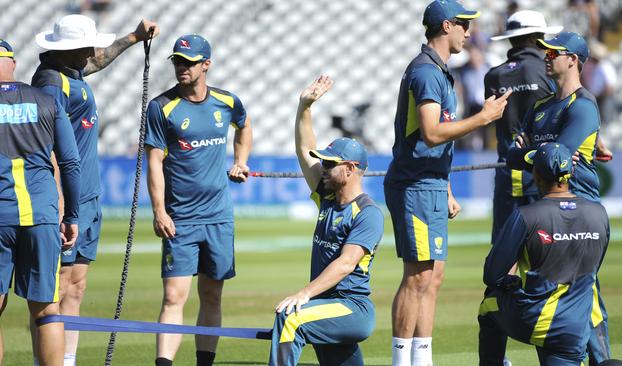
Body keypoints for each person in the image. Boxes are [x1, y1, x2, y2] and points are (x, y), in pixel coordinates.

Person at [383, 1, 511, 365]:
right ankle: (400, 360)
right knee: (418, 276)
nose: (468, 33)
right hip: (415, 185)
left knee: (433, 276)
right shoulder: (425, 72)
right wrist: (483, 117)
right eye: (464, 25)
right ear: (445, 26)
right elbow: (432, 132)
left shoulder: (438, 71)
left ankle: (422, 358)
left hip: (431, 183)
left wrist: (448, 188)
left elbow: (436, 143)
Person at [31, 14, 159, 365]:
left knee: (76, 286)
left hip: (88, 196)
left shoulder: (71, 72)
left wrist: (133, 38)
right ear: (70, 49)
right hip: (65, 199)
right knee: (53, 291)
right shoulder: (51, 84)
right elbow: (49, 149)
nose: (93, 50)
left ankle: (68, 360)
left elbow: (100, 58)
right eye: (87, 45)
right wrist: (59, 206)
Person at [144, 34, 252, 366]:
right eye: (177, 61)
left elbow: (244, 127)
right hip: (181, 218)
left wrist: (240, 161)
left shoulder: (227, 102)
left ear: (206, 65)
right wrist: (159, 211)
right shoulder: (162, 107)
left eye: (188, 62)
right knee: (174, 296)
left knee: (211, 294)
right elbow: (153, 163)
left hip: (219, 216)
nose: (182, 68)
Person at [508, 31, 612, 365]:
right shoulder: (540, 106)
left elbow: (560, 156)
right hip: (544, 208)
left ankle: (601, 360)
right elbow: (518, 154)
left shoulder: (582, 106)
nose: (547, 57)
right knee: (546, 291)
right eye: (545, 52)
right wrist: (538, 155)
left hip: (579, 207)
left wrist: (533, 153)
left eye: (555, 52)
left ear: (574, 60)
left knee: (586, 293)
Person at [269, 75, 384, 366]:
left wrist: (304, 293)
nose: (322, 167)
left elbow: (346, 264)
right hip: (326, 304)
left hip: (350, 308)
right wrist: (304, 107)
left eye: (330, 164)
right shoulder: (326, 197)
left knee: (290, 318)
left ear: (350, 169)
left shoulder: (368, 213)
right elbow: (305, 151)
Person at [479, 142, 610, 366]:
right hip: (575, 329)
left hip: (536, 320)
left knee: (488, 306)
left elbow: (492, 275)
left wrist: (513, 282)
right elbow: (593, 268)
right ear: (569, 173)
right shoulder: (599, 213)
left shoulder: (526, 215)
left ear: (536, 174)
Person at [0, 39, 80, 365]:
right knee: (47, 310)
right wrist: (72, 215)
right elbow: (71, 163)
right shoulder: (47, 101)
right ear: (14, 64)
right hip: (42, 217)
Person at [485, 9, 562, 245]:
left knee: (505, 251)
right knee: (545, 248)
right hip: (545, 171)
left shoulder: (493, 76)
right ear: (534, 38)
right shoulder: (548, 71)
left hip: (508, 171)